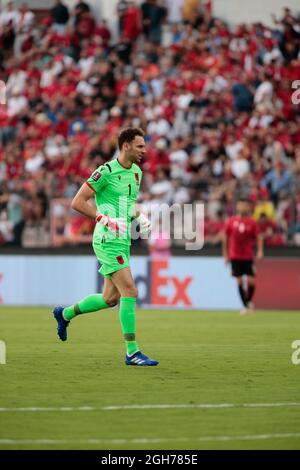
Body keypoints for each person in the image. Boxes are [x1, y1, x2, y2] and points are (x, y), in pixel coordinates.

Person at [53, 127, 159, 366]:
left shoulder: (136, 173)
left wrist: (140, 217)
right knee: (130, 292)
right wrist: (104, 219)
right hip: (107, 239)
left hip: (123, 240)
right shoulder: (106, 172)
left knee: (110, 298)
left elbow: (128, 205)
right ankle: (132, 352)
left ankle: (64, 313)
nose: (144, 150)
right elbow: (77, 202)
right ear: (126, 146)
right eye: (140, 146)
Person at [222, 198, 264, 315]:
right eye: (240, 205)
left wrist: (260, 250)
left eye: (245, 205)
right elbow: (225, 238)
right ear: (237, 207)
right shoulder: (231, 221)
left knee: (251, 281)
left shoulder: (252, 222)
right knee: (239, 281)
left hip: (248, 256)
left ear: (248, 207)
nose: (242, 208)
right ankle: (246, 306)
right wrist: (225, 255)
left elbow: (259, 237)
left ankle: (249, 301)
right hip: (235, 255)